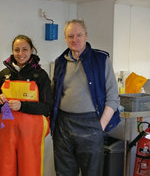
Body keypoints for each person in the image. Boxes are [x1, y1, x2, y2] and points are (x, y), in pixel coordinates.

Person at [51, 19, 120, 176]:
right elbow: (54, 94)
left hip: (91, 124)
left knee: (92, 172)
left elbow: (113, 97)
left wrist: (100, 127)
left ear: (86, 36)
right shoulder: (60, 62)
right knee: (64, 171)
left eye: (79, 35)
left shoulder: (101, 60)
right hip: (63, 124)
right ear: (65, 38)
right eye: (70, 36)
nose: (75, 40)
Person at [0, 35, 52, 176]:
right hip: (7, 132)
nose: (20, 54)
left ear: (31, 50)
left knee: (30, 170)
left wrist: (22, 106)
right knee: (5, 170)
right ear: (12, 51)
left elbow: (47, 107)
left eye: (25, 49)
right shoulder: (4, 74)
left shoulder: (40, 75)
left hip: (31, 134)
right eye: (16, 50)